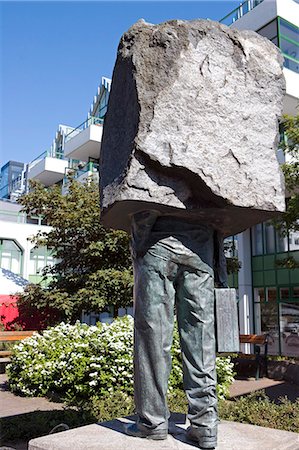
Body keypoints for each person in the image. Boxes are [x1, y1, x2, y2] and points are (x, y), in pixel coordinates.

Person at [125, 210, 227, 449]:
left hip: (158, 240)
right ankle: (205, 425)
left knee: (153, 336)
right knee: (201, 337)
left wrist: (138, 239)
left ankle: (152, 422)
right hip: (201, 246)